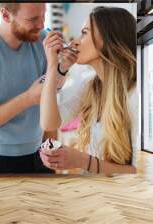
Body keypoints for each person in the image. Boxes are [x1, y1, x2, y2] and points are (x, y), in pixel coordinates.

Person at [0, 3, 78, 174]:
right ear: (5, 15)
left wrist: (62, 68)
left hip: (41, 150)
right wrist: (28, 98)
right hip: (1, 160)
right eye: (32, 19)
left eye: (43, 15)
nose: (41, 25)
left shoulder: (41, 39)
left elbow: (51, 89)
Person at [39, 6, 139, 175]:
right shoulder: (88, 85)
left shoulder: (134, 95)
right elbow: (50, 123)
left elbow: (135, 172)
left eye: (84, 32)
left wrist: (81, 160)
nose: (75, 41)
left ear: (108, 39)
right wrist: (54, 67)